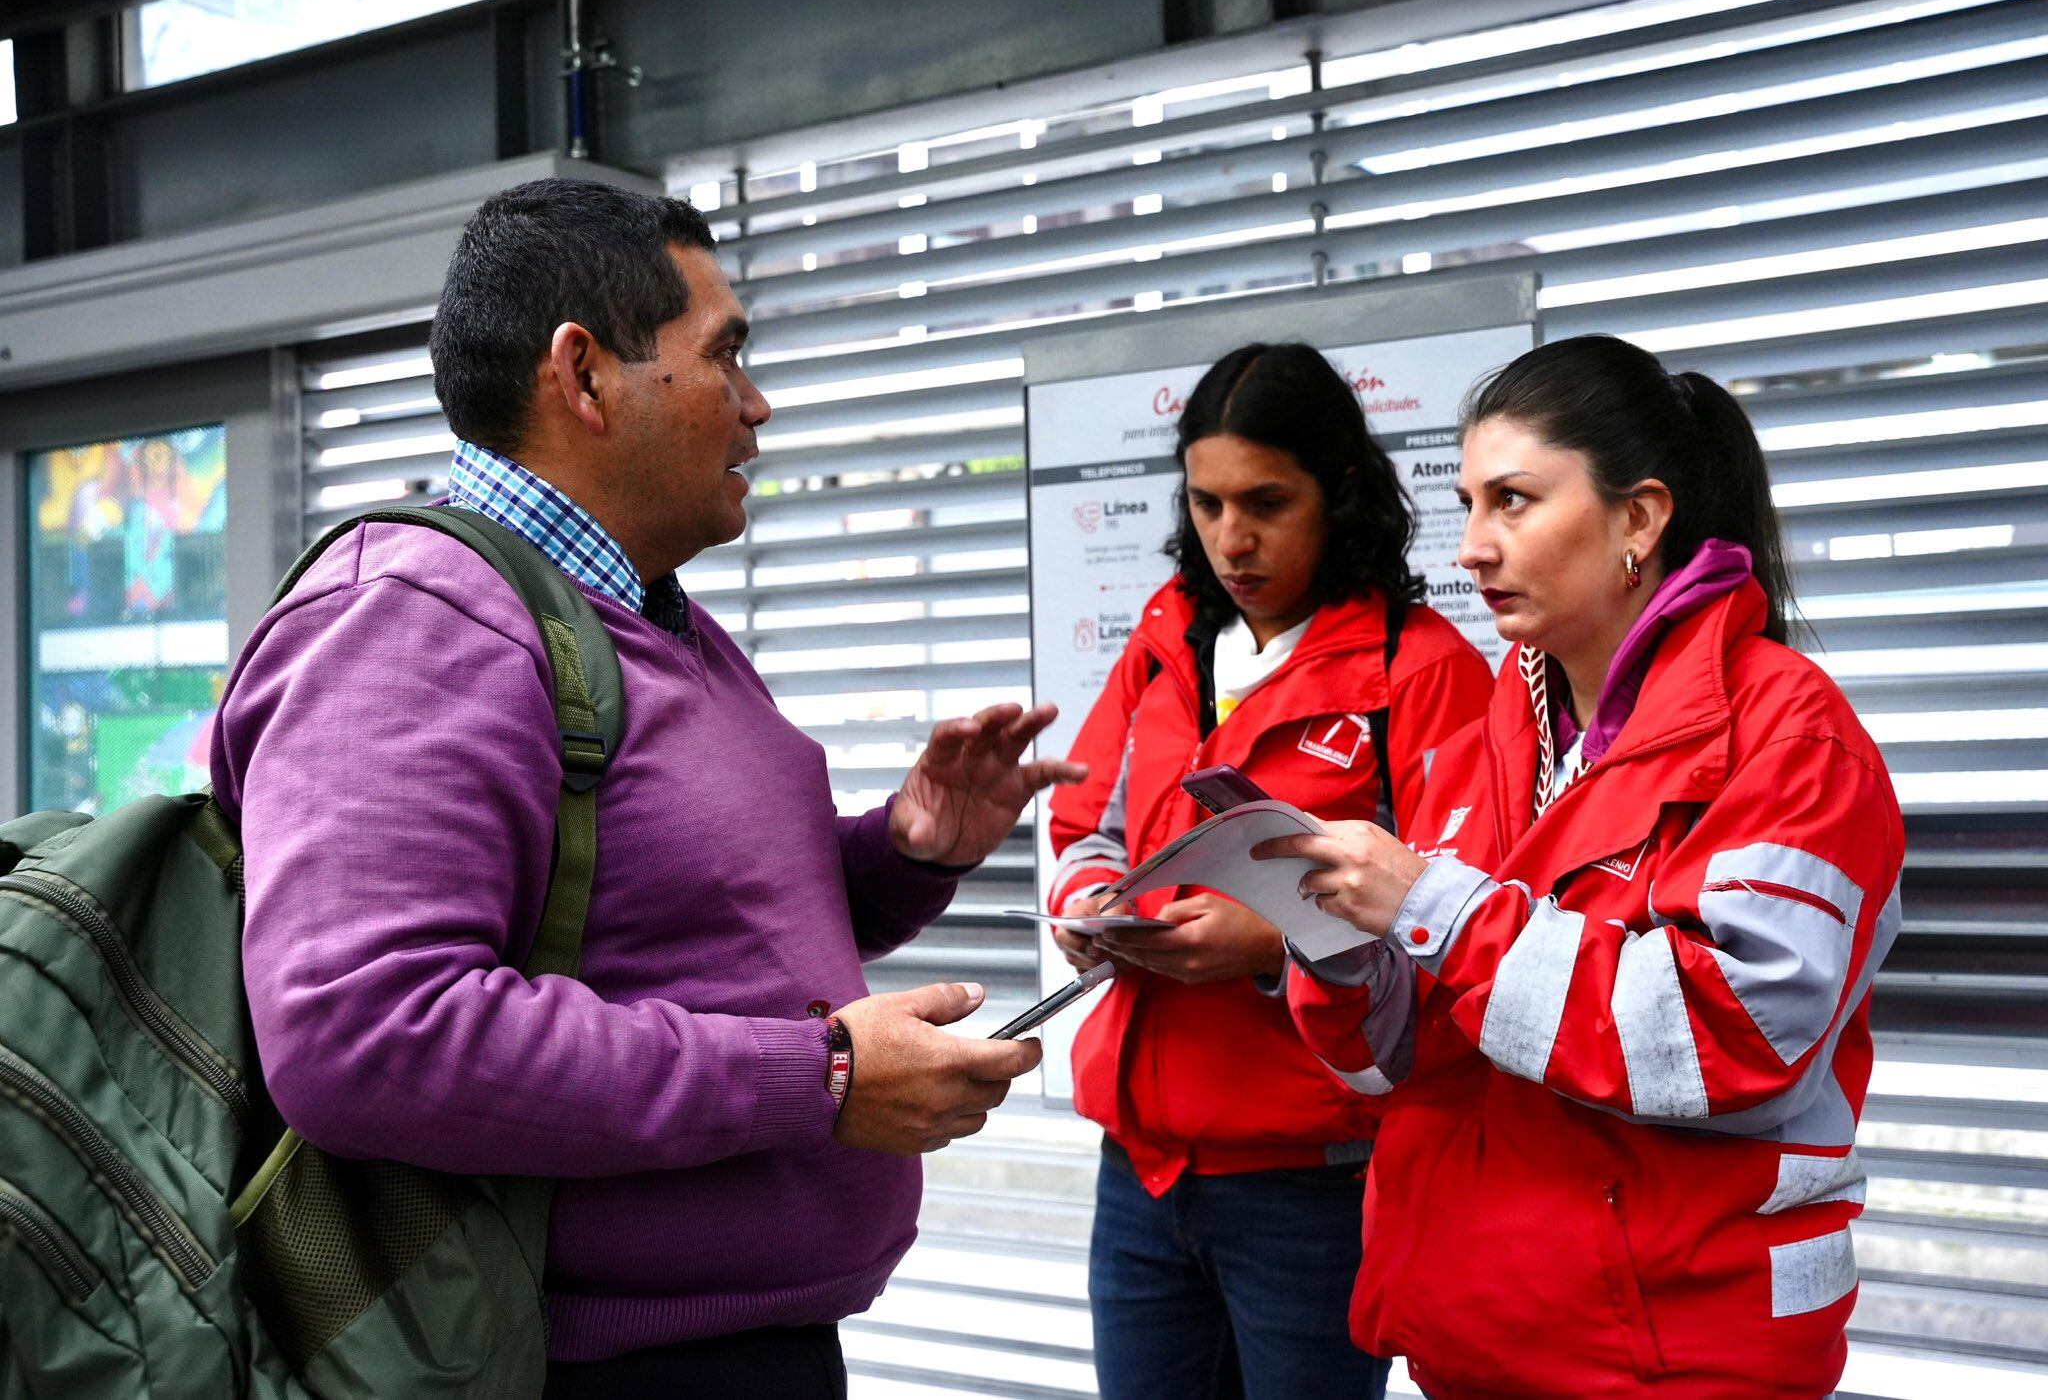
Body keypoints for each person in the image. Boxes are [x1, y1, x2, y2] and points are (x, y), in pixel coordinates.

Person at [209, 178, 1085, 1399]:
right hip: (579, 1367)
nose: (756, 404)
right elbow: (364, 1027)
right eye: (724, 355)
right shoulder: (410, 623)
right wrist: (820, 1076)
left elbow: (679, 919)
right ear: (582, 376)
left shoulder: (638, 618)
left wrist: (904, 850)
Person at [1263, 334, 1903, 1397]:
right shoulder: (1487, 733)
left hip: (1675, 1353)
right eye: (1465, 503)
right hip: (1479, 1334)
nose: (1469, 546)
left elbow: (1727, 1039)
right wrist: (1335, 946)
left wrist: (1435, 909)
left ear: (1638, 518)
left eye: (1510, 500)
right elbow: (1408, 1056)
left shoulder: (1790, 734)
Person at [1044, 342, 1493, 1400]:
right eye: (1204, 503)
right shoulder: (1163, 644)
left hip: (1311, 1185)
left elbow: (1465, 919)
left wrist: (1272, 938)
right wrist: (1086, 907)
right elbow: (1084, 825)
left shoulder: (1420, 673)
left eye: (1264, 501)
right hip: (1141, 1172)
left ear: (1337, 494)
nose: (1229, 538)